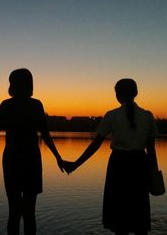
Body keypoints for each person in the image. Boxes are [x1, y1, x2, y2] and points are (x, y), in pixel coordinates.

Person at [0, 68, 65, 235]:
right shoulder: (36, 105)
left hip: (12, 159)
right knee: (30, 212)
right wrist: (58, 157)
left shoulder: (7, 105)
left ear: (12, 84)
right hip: (31, 159)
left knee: (14, 211)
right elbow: (45, 135)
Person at [63, 78, 160, 235]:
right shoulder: (147, 116)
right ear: (135, 93)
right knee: (139, 215)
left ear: (118, 95)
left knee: (119, 218)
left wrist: (75, 164)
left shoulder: (112, 116)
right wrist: (154, 173)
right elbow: (151, 151)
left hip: (119, 165)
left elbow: (95, 145)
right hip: (139, 165)